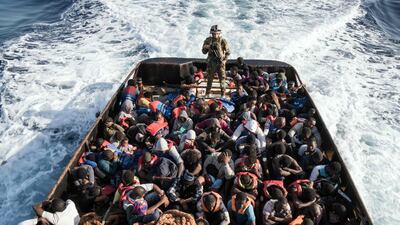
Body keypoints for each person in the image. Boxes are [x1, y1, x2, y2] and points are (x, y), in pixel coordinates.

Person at [202, 25, 230, 96]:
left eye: (216, 33)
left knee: (222, 80)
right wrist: (208, 46)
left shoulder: (223, 41)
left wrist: (224, 61)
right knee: (209, 79)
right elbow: (204, 52)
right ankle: (208, 93)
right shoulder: (208, 40)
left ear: (219, 33)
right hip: (211, 63)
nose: (215, 35)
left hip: (220, 63)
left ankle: (223, 94)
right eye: (213, 33)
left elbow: (228, 52)